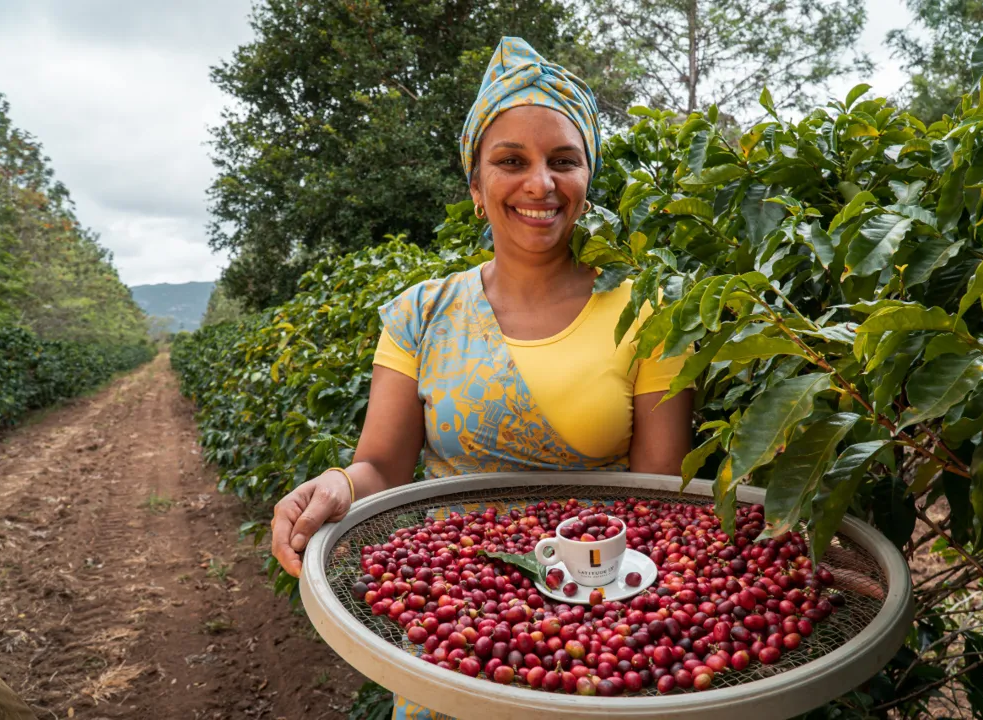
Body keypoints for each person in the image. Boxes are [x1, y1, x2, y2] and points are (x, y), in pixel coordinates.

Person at [270, 36, 694, 719]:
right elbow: (380, 465)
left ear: (588, 181)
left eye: (564, 161)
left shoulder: (647, 311)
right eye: (510, 162)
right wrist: (337, 485)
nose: (540, 184)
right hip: (457, 619)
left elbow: (657, 500)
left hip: (602, 620)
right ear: (475, 187)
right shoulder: (420, 314)